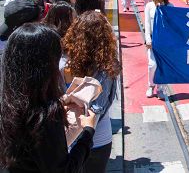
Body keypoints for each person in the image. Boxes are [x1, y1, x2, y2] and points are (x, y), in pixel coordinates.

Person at [0, 24, 97, 172]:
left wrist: (61, 101)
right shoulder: (45, 117)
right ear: (45, 68)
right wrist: (88, 132)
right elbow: (64, 169)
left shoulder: (7, 101)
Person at [62, 11, 120, 173]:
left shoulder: (66, 64)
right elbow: (98, 108)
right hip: (98, 137)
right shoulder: (107, 68)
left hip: (69, 137)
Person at [144, 0, 172, 99]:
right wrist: (148, 40)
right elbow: (147, 23)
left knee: (163, 65)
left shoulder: (171, 7)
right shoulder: (150, 6)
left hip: (165, 41)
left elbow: (173, 24)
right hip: (153, 39)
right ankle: (151, 86)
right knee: (152, 65)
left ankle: (161, 88)